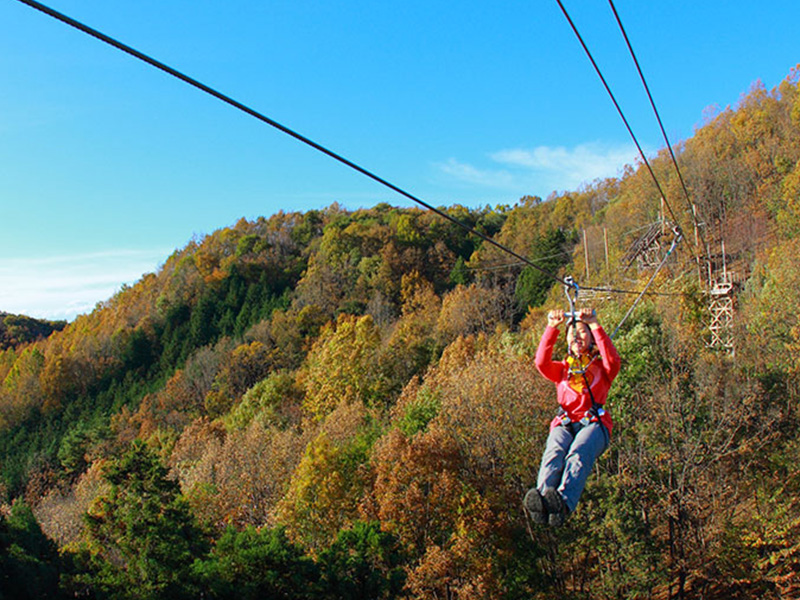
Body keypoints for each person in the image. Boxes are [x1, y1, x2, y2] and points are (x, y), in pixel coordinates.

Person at [524, 307, 621, 526]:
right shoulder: (562, 370)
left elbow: (613, 360)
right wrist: (551, 327)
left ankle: (564, 503)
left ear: (591, 337)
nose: (577, 336)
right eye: (572, 333)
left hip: (594, 424)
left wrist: (595, 324)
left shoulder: (601, 367)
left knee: (579, 453)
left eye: (582, 332)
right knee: (554, 450)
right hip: (566, 421)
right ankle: (543, 498)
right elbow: (541, 362)